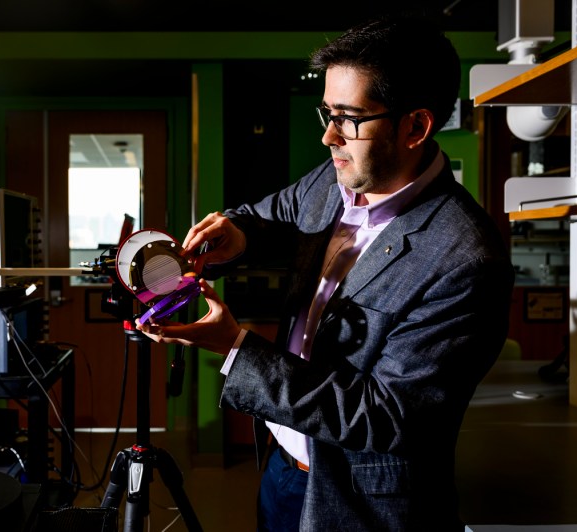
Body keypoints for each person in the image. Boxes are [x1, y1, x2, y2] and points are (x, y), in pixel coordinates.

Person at [137, 13, 515, 532]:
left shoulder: (466, 259)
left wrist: (234, 348)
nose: (328, 137)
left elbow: (388, 417)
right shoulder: (336, 178)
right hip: (282, 464)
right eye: (326, 114)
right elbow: (277, 213)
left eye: (348, 117)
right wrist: (238, 233)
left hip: (358, 500)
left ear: (415, 127)